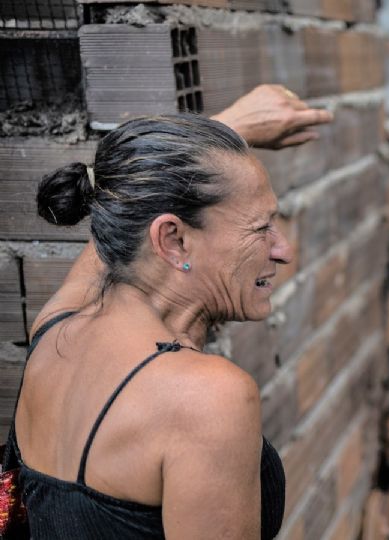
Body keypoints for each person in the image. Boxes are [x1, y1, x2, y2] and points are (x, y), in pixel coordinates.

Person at [4, 84, 330, 539]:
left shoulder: (56, 327)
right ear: (174, 241)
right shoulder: (207, 398)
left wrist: (226, 129)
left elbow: (127, 206)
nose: (283, 250)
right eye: (261, 228)